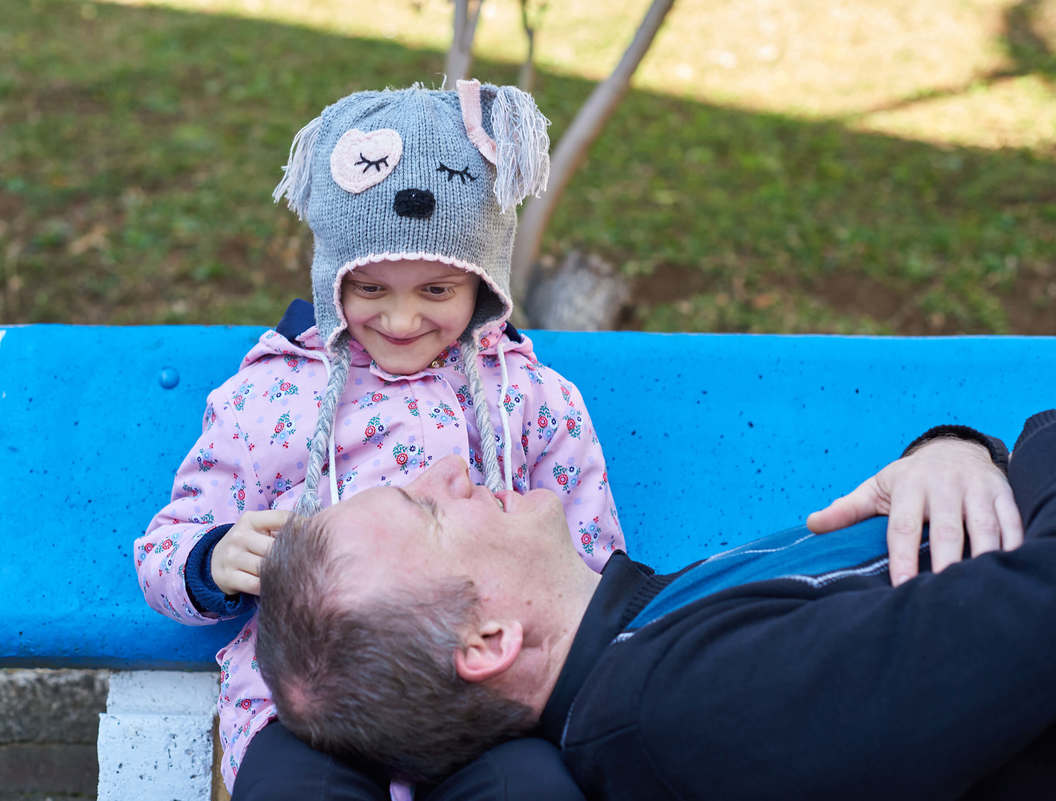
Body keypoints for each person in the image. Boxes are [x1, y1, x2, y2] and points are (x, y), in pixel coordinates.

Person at [135, 79, 626, 798]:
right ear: (333, 278)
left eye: (436, 290)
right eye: (370, 290)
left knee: (533, 788)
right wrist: (212, 558)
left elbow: (589, 559)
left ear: (483, 283)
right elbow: (162, 548)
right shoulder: (268, 399)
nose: (401, 320)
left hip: (480, 706)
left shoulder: (530, 399)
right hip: (306, 710)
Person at [256, 410, 1056, 800]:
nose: (448, 466)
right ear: (490, 637)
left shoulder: (652, 624)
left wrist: (951, 453)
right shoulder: (687, 705)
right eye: (425, 508)